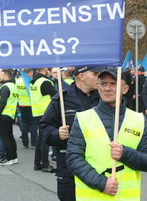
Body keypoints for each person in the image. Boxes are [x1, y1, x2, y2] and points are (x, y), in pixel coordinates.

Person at [66, 67, 147, 200]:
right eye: (103, 84)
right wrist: (102, 183)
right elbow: (73, 158)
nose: (107, 88)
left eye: (113, 84)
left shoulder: (139, 120)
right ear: (98, 87)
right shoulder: (83, 119)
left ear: (124, 89)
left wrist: (125, 154)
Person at [40, 66, 104, 201]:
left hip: (99, 168)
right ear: (81, 76)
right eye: (95, 74)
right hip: (69, 170)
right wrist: (57, 134)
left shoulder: (103, 98)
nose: (99, 77)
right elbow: (44, 128)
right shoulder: (62, 100)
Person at [31, 67, 56, 172]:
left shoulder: (34, 81)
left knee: (40, 139)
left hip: (37, 112)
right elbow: (55, 95)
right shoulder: (45, 82)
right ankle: (45, 164)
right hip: (45, 113)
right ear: (45, 69)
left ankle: (37, 163)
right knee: (45, 138)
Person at [0, 69, 19, 165]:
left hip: (3, 115)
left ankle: (9, 158)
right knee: (10, 137)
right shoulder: (13, 86)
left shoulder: (5, 87)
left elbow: (2, 102)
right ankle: (14, 157)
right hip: (11, 114)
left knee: (5, 138)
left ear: (5, 75)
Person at [16, 68, 36, 149]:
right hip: (31, 105)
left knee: (24, 124)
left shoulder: (18, 81)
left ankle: (25, 143)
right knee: (33, 125)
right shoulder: (30, 81)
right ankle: (33, 143)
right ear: (29, 72)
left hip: (22, 104)